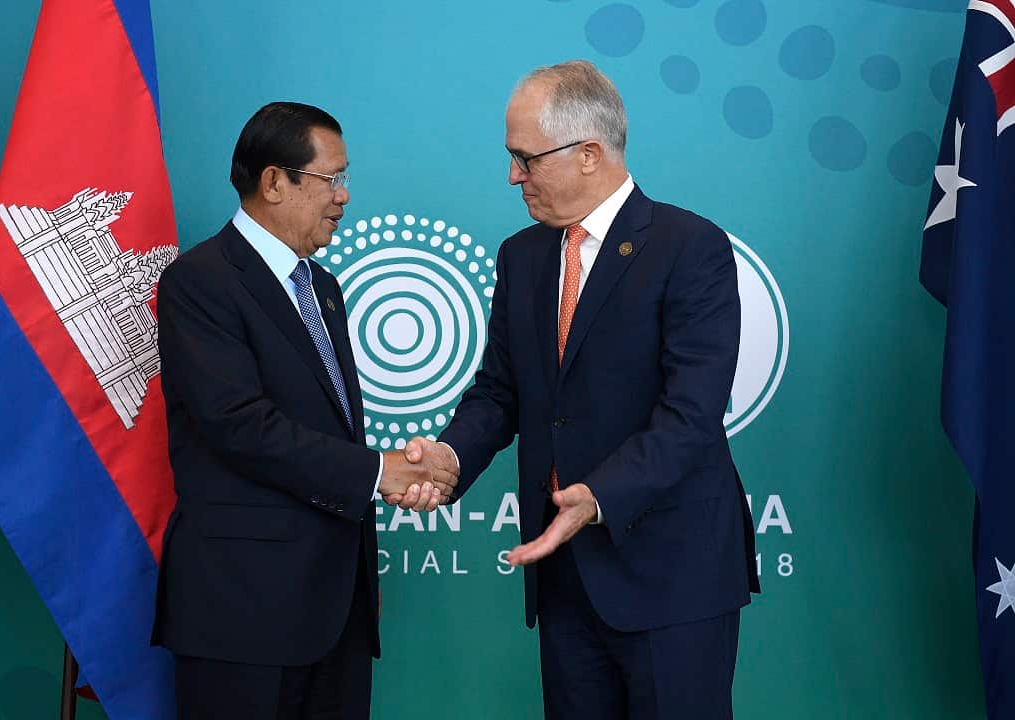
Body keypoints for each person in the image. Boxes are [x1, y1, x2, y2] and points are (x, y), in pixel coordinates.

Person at [403, 61, 760, 719]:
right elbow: (501, 391)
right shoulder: (523, 255)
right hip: (565, 576)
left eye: (525, 159)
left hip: (672, 574)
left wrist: (600, 494)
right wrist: (450, 458)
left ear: (589, 154)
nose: (513, 176)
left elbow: (692, 412)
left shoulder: (689, 247)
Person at [151, 101, 454, 720]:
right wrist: (377, 472)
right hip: (243, 612)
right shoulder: (201, 280)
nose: (343, 197)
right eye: (330, 179)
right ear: (273, 182)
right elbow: (238, 424)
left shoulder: (323, 287)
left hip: (334, 604)